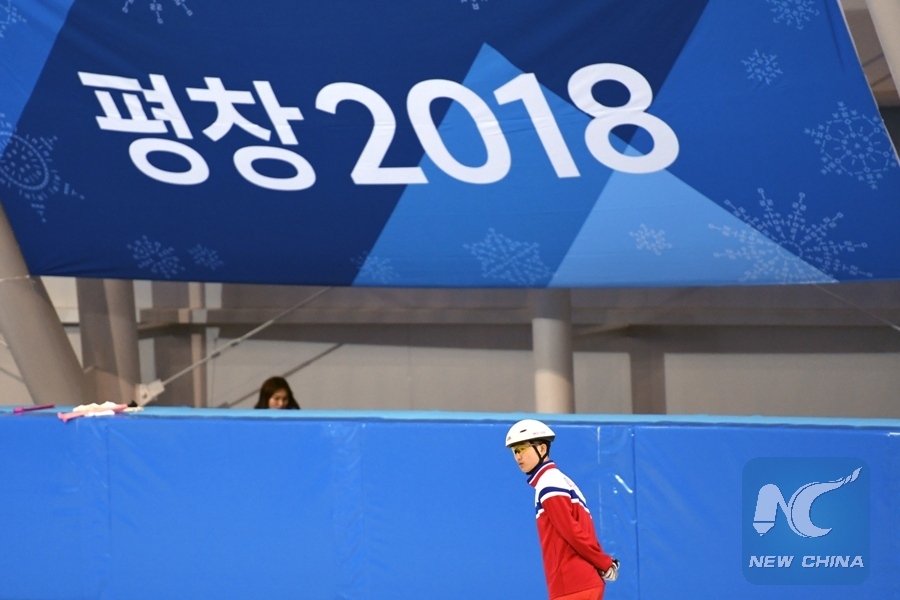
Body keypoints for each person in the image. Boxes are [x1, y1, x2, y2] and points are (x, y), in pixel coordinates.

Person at [506, 419, 618, 600]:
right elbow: (582, 531)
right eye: (514, 451)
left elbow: (571, 532)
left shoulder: (548, 482)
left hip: (572, 584)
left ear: (542, 448)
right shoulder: (559, 480)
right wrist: (601, 562)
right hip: (581, 582)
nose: (518, 456)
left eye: (522, 448)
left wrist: (603, 562)